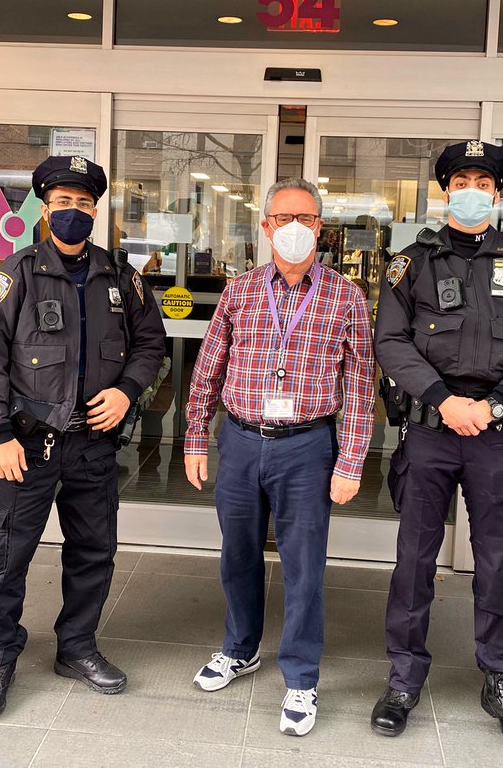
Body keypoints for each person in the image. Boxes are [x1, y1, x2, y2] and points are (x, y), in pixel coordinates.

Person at [371, 141, 503, 746]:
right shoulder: (411, 263)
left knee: (498, 562)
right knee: (414, 562)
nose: (472, 190)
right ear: (445, 191)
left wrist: (495, 404)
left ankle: (501, 678)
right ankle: (404, 678)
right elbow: (391, 342)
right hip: (431, 429)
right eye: (462, 181)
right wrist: (442, 400)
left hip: (495, 433)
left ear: (498, 193)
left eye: (484, 181)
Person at [0, 156, 167, 718]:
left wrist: (127, 391)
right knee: (8, 556)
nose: (72, 212)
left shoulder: (122, 278)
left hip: (94, 445)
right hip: (26, 446)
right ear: (45, 209)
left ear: (95, 211)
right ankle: (0, 657)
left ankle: (76, 647)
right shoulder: (15, 274)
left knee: (93, 553)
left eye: (83, 203)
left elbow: (151, 344)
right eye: (62, 203)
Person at [184, 178, 375, 737]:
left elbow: (361, 386)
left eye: (307, 219)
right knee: (237, 555)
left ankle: (301, 677)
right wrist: (196, 436)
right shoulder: (240, 290)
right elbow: (208, 369)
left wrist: (352, 460)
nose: (295, 227)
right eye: (283, 217)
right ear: (265, 225)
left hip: (308, 447)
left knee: (304, 566)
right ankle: (240, 649)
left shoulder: (347, 296)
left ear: (321, 228)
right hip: (241, 441)